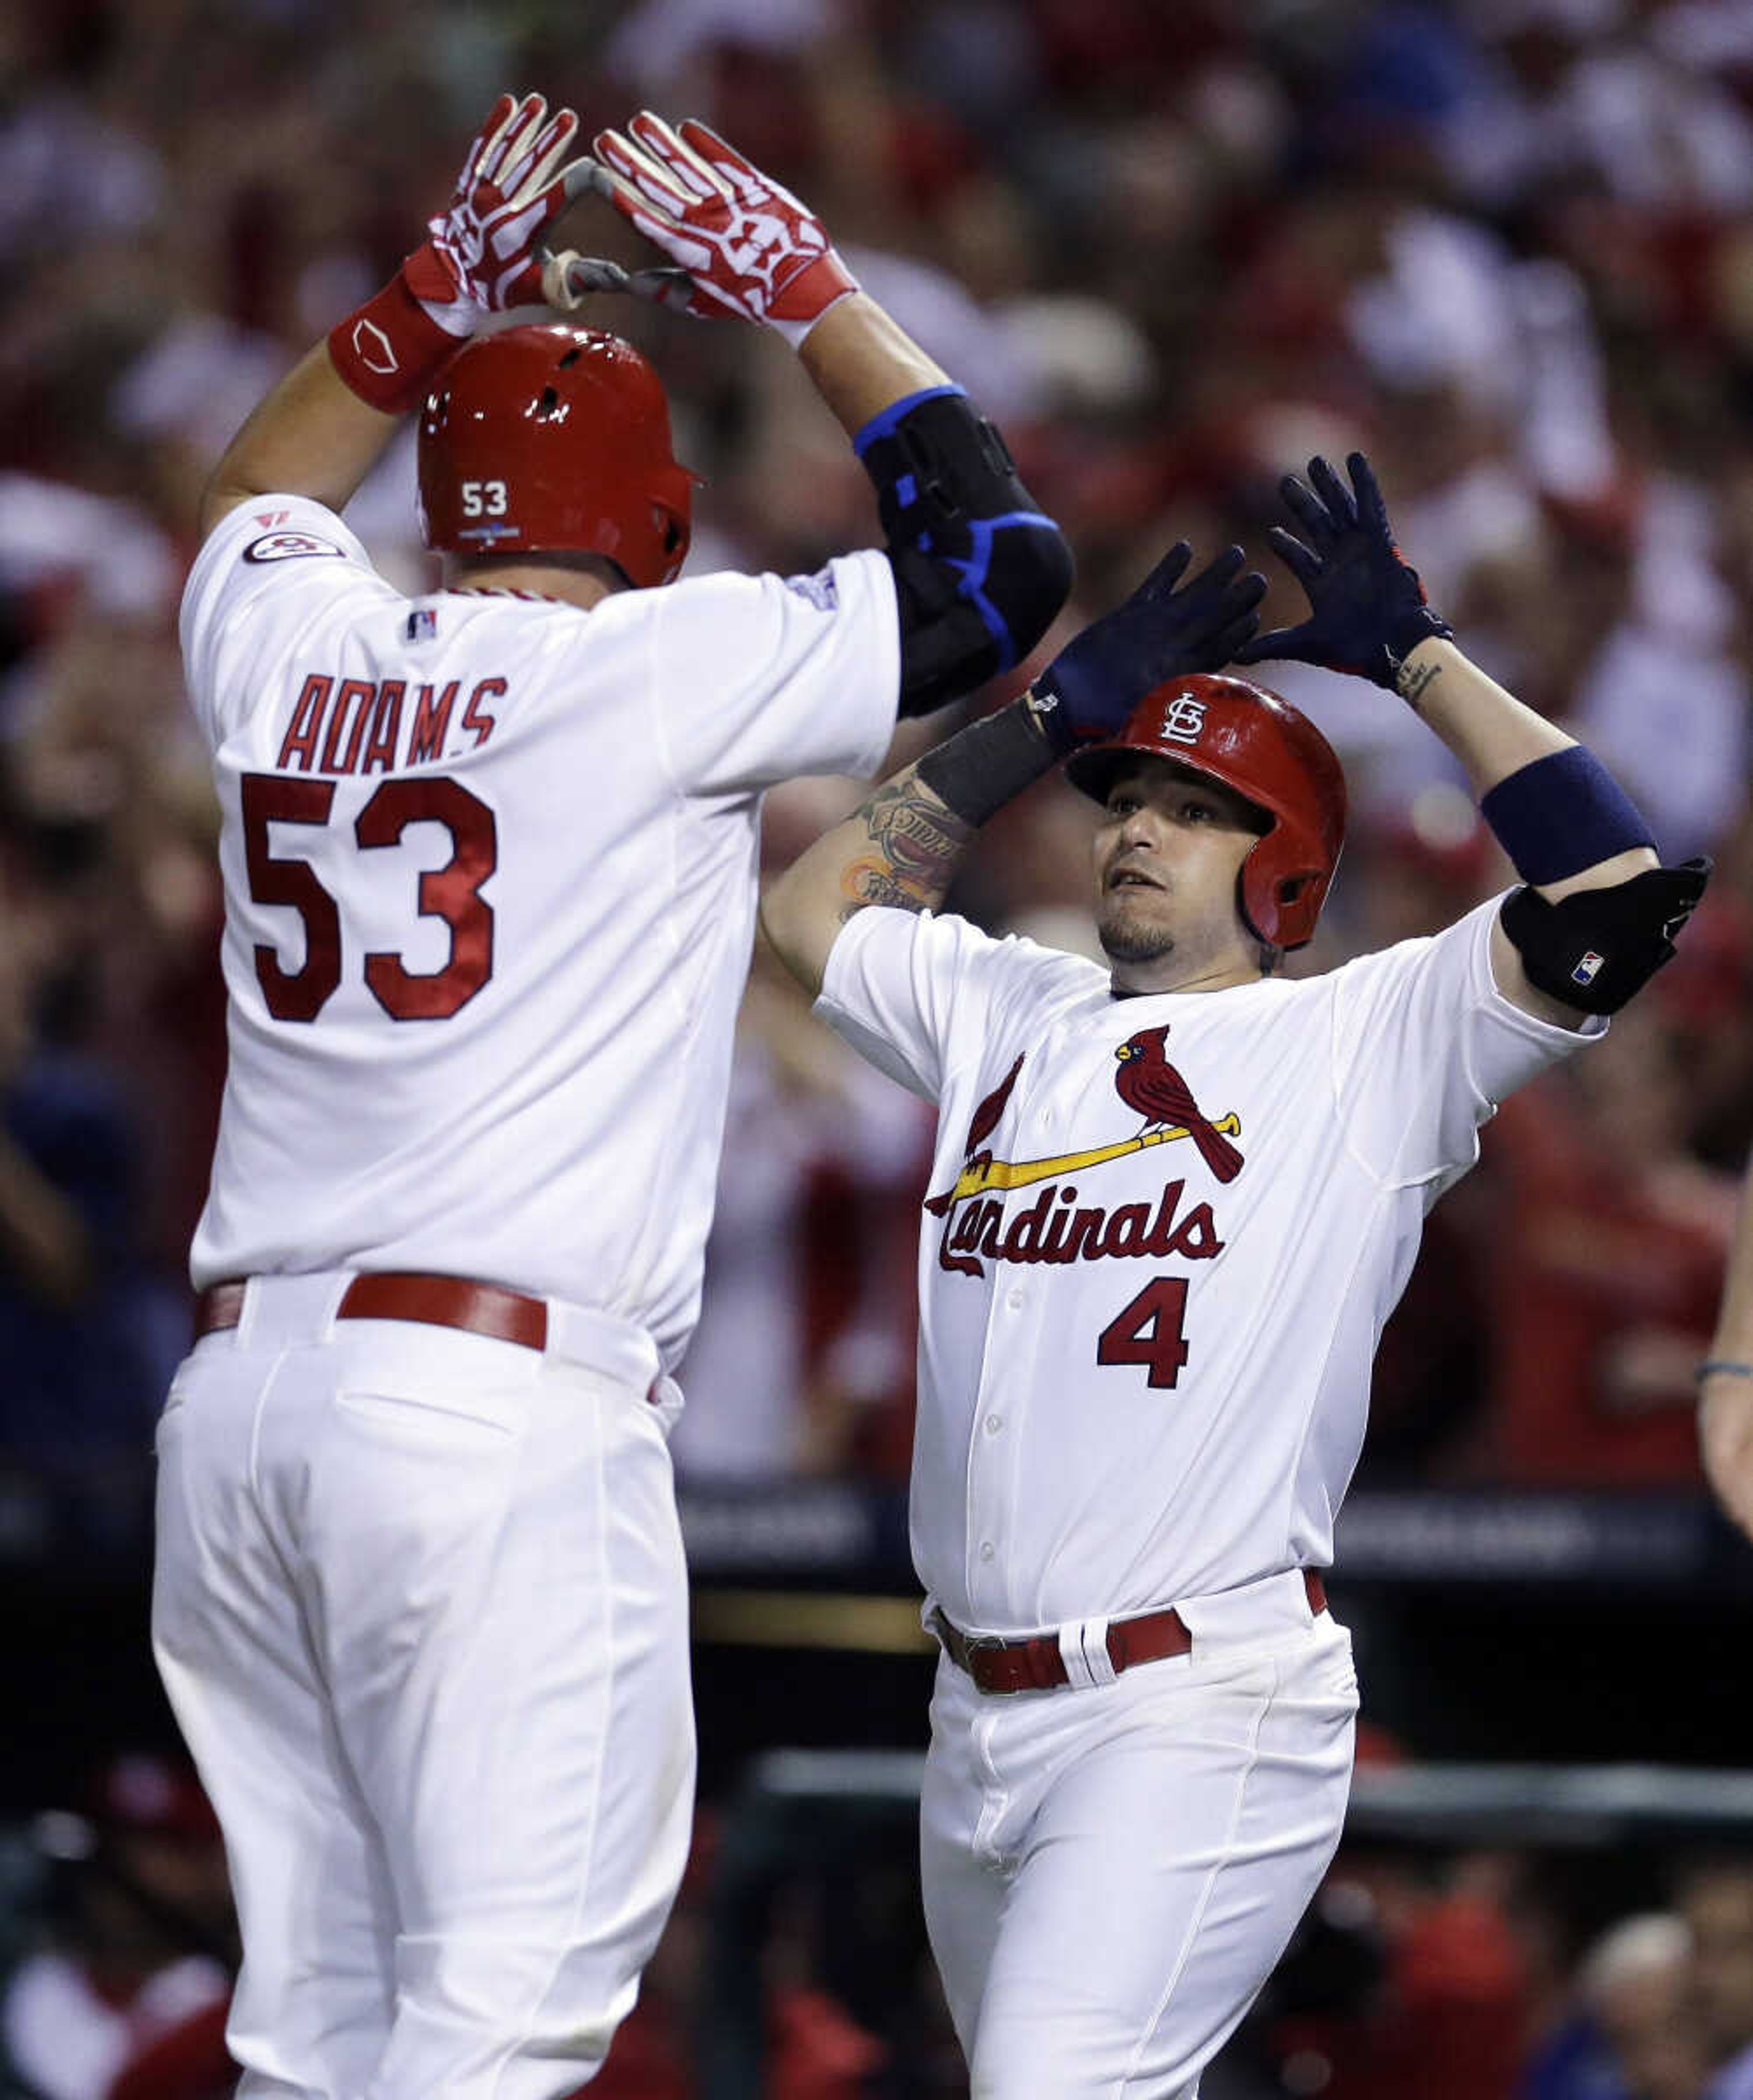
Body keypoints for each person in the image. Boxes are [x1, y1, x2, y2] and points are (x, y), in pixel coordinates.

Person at [149, 90, 1070, 2097]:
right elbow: (1004, 568)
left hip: (238, 1416)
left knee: (313, 2035)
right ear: (652, 525)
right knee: (500, 2025)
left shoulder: (295, 647)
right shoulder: (658, 668)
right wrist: (811, 288)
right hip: (488, 1413)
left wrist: (430, 293)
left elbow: (249, 492)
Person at [759, 451, 1708, 2096]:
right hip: (974, 1715)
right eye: (1130, 798)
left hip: (1196, 1701)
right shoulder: (1009, 1008)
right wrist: (1048, 722)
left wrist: (1420, 660)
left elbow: (1614, 899)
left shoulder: (1361, 1039)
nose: (1141, 829)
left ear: (1285, 870)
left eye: (1197, 813)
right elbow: (809, 910)